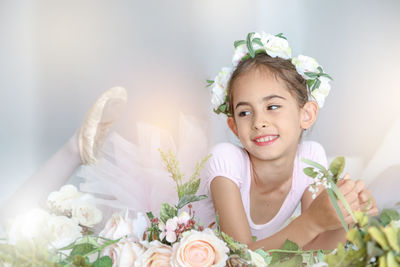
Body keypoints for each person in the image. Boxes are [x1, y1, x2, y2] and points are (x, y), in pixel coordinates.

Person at [194, 32, 379, 251]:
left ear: (306, 114)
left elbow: (316, 251)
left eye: (272, 107)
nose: (258, 122)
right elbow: (240, 260)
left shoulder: (310, 157)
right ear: (233, 126)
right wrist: (312, 221)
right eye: (244, 112)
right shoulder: (225, 161)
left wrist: (345, 215)